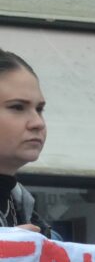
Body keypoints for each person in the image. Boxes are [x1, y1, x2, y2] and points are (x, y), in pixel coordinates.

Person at [0, 49, 54, 237]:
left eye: (39, 109)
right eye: (17, 107)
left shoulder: (22, 207)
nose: (38, 123)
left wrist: (89, 260)